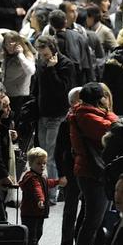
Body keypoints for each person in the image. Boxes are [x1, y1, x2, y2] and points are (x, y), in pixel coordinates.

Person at [69, 82, 118, 245]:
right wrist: (109, 112)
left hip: (90, 170)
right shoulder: (87, 116)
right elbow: (114, 129)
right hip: (93, 172)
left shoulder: (85, 113)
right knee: (92, 221)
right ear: (100, 99)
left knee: (93, 218)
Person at [33, 35, 75, 204]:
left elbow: (62, 90)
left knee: (50, 156)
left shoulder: (66, 64)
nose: (43, 57)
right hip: (42, 114)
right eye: (40, 54)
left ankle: (50, 194)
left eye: (45, 54)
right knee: (43, 154)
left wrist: (51, 69)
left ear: (53, 48)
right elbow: (37, 87)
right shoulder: (42, 63)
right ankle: (45, 189)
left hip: (57, 115)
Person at [20, 147, 67, 245]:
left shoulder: (41, 176)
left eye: (44, 163)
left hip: (38, 212)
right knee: (32, 234)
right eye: (39, 163)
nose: (42, 166)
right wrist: (40, 200)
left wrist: (56, 182)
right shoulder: (32, 178)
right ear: (31, 164)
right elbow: (37, 189)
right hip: (30, 212)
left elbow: (46, 183)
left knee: (38, 232)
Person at [54, 87, 82, 245]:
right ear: (72, 103)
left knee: (84, 210)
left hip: (84, 169)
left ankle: (80, 242)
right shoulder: (67, 122)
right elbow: (59, 150)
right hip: (71, 171)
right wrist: (61, 174)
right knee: (70, 208)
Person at [1, 31, 36, 124]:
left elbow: (31, 71)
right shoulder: (7, 55)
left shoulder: (26, 55)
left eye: (11, 43)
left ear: (18, 43)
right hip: (6, 95)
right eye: (6, 43)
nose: (8, 46)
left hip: (19, 97)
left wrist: (20, 55)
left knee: (15, 123)